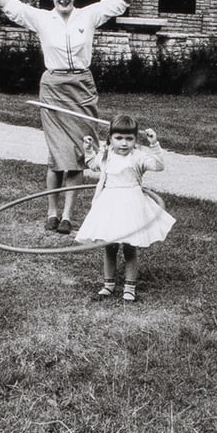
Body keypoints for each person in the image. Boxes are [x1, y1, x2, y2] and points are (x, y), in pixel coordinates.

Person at [0, 0, 135, 234]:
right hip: (54, 89)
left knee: (79, 154)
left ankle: (69, 215)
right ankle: (52, 211)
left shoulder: (89, 15)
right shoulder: (42, 19)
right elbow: (5, 3)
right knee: (58, 155)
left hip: (82, 88)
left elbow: (126, 0)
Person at [75, 114, 175, 302]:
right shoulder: (106, 155)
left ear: (136, 140)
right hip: (109, 204)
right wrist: (88, 149)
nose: (124, 143)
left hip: (131, 204)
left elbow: (159, 166)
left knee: (130, 246)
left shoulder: (138, 157)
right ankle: (108, 284)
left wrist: (154, 145)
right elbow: (92, 165)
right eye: (119, 138)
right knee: (109, 245)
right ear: (110, 138)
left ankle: (129, 287)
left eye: (129, 139)